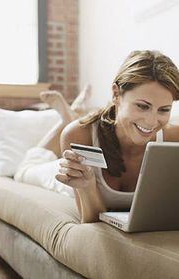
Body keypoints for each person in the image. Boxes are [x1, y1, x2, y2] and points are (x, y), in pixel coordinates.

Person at [55, 50, 179, 223]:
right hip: (53, 175)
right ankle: (67, 115)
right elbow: (90, 222)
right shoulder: (78, 136)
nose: (152, 122)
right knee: (29, 166)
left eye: (164, 109)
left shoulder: (174, 139)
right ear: (116, 94)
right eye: (142, 106)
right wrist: (87, 186)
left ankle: (76, 111)